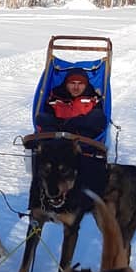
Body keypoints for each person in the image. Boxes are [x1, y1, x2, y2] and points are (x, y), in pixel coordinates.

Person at [34, 67, 108, 200]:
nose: (76, 87)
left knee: (95, 119)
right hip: (57, 140)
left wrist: (74, 123)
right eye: (72, 83)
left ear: (86, 85)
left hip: (82, 142)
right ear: (66, 83)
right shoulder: (55, 96)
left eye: (80, 84)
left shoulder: (93, 99)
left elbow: (98, 120)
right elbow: (44, 117)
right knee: (43, 122)